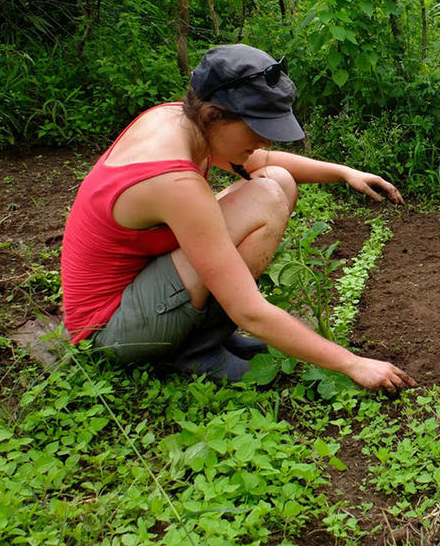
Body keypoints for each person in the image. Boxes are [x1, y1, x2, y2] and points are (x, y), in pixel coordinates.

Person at [61, 44, 417, 391]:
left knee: (277, 181)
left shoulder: (181, 118)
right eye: (256, 128)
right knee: (263, 197)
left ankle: (203, 338)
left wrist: (343, 172)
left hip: (140, 287)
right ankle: (195, 351)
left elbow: (261, 163)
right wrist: (353, 363)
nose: (263, 140)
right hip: (111, 331)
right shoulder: (175, 183)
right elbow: (250, 311)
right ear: (213, 115)